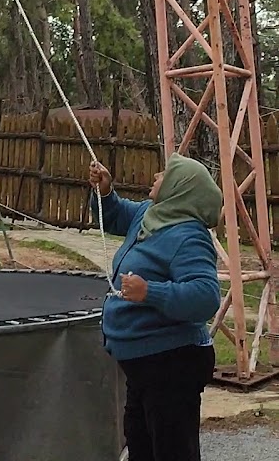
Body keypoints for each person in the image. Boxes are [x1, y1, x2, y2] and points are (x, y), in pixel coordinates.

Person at [89, 153, 222, 461]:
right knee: (141, 447)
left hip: (171, 365)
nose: (156, 175)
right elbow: (116, 216)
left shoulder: (188, 235)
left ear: (180, 187)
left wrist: (150, 292)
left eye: (165, 173)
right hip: (144, 367)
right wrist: (106, 192)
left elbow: (205, 297)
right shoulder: (151, 213)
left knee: (171, 452)